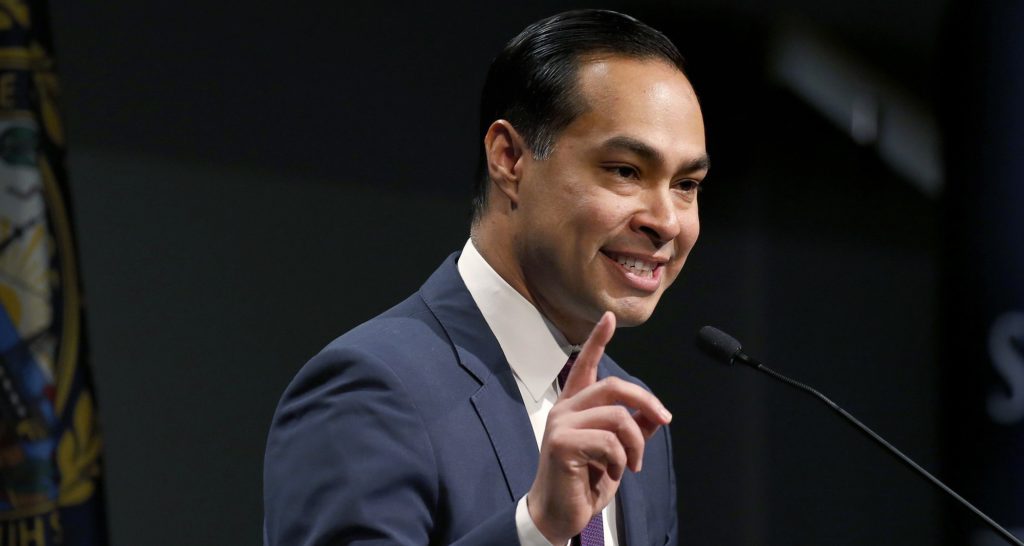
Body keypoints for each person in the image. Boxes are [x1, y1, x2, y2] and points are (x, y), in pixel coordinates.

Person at [264, 9, 708, 545]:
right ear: (509, 159)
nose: (666, 222)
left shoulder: (632, 419)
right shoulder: (370, 390)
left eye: (686, 184)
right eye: (625, 171)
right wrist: (537, 528)